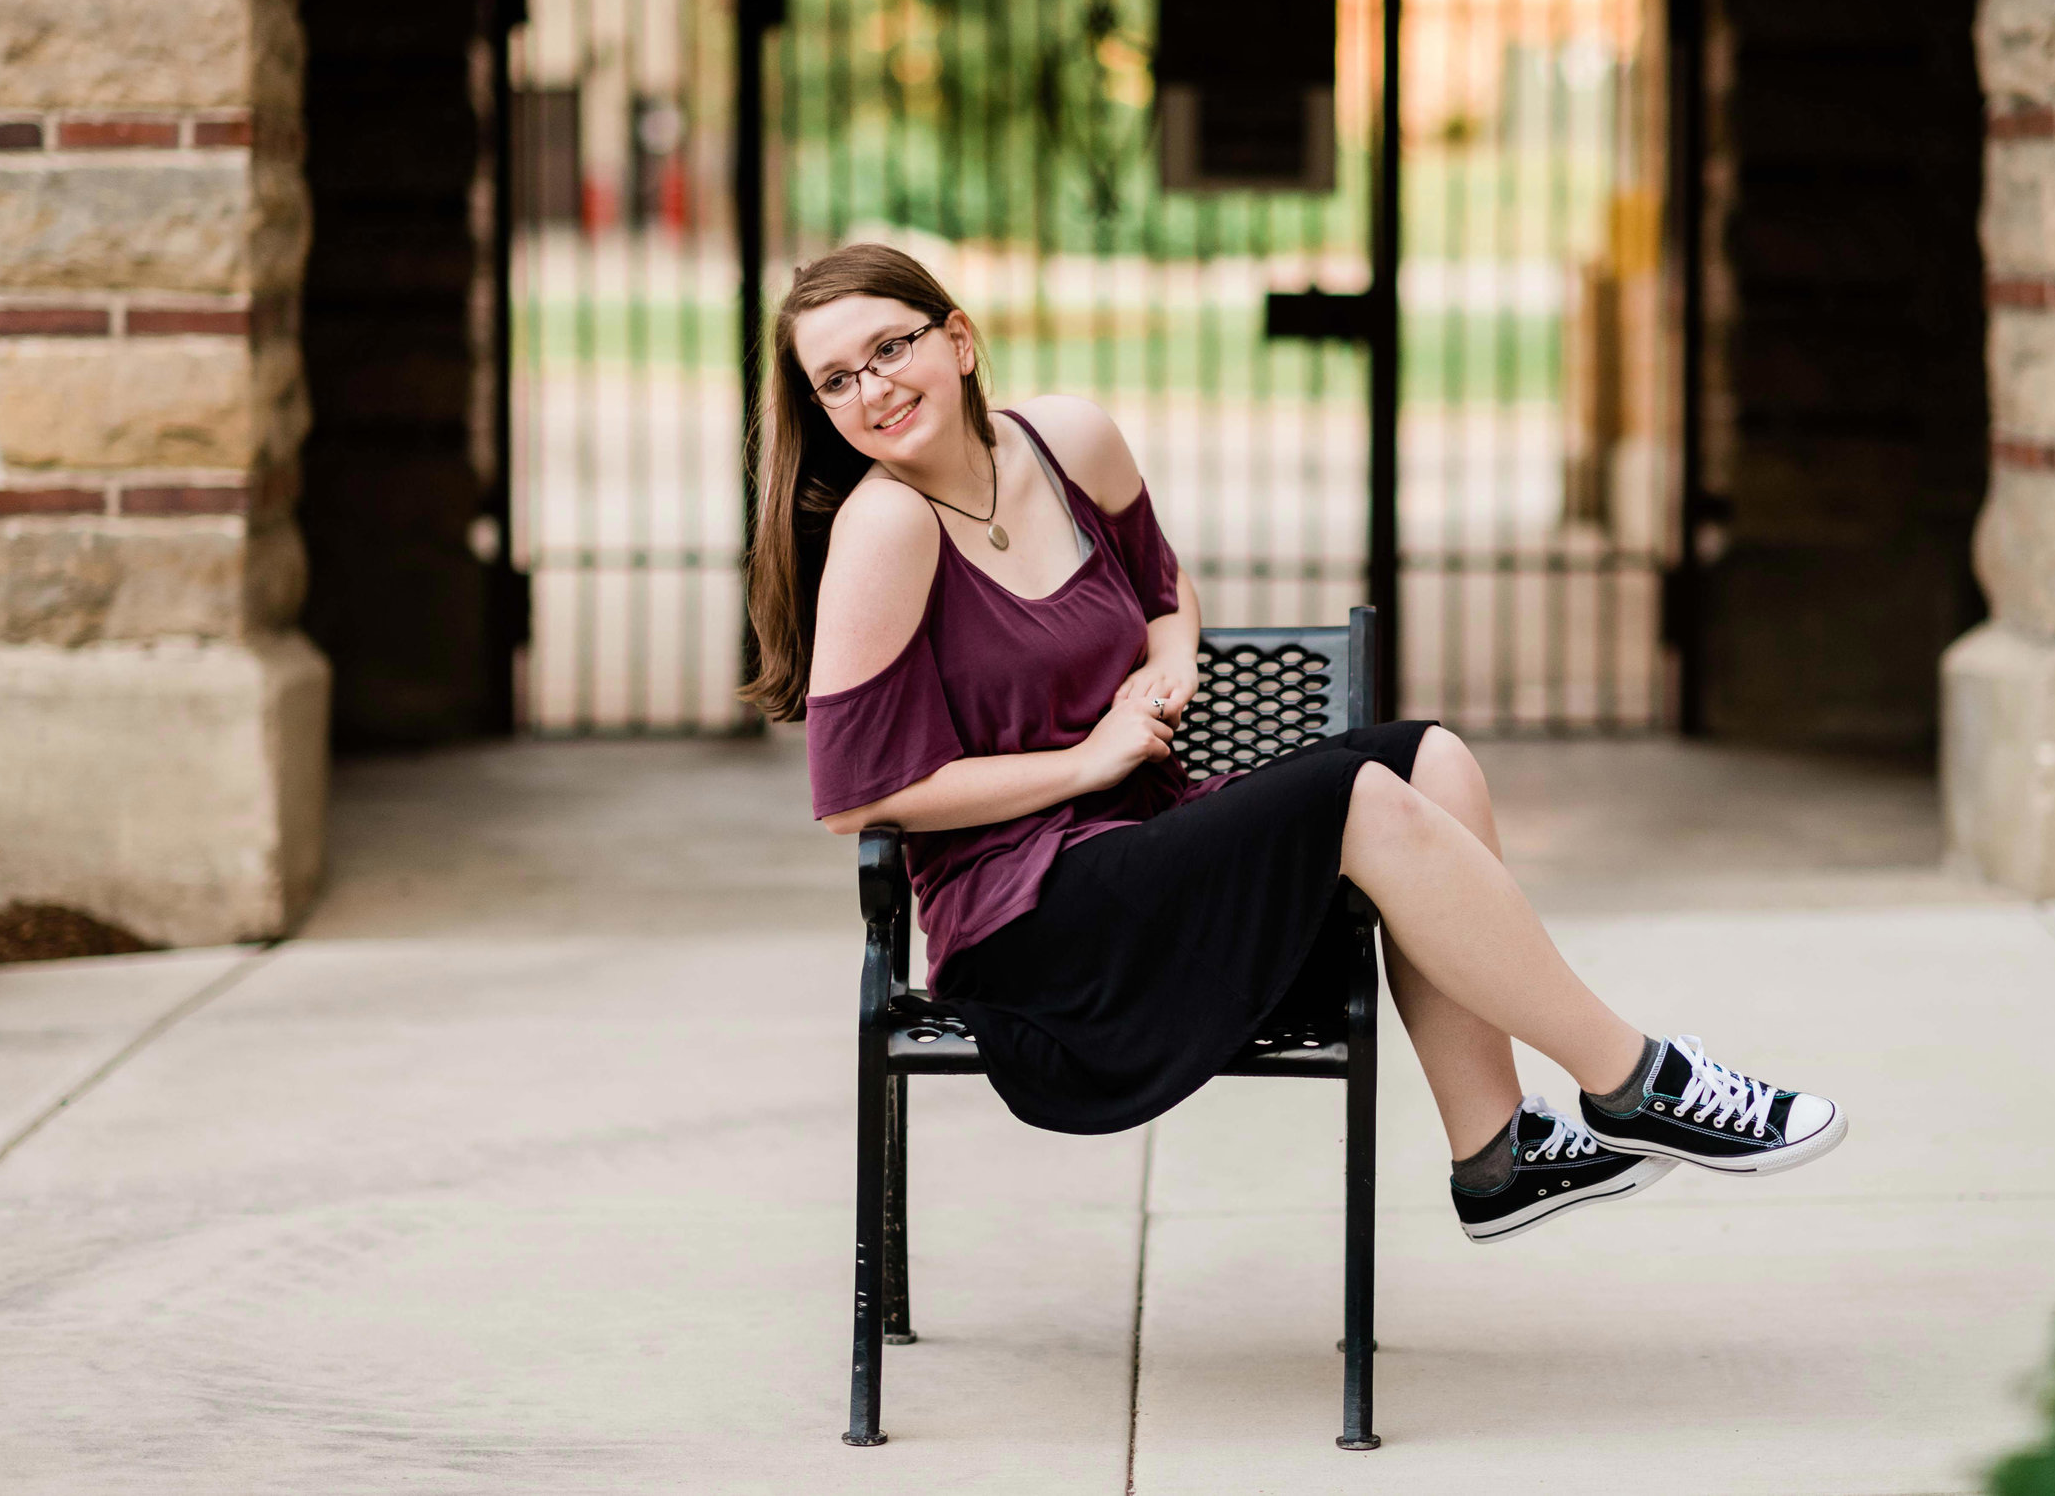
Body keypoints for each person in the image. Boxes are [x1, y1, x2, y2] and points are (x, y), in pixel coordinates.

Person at [745, 243, 1846, 1246]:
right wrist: (1087, 762)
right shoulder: (884, 527)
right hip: (1037, 936)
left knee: (1435, 760)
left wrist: (1168, 656)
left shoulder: (1066, 441)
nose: (874, 388)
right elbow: (859, 797)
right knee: (1361, 794)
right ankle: (1637, 1078)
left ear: (959, 338)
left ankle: (1497, 1151)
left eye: (890, 347)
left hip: (1152, 859)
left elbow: (1163, 587)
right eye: (836, 379)